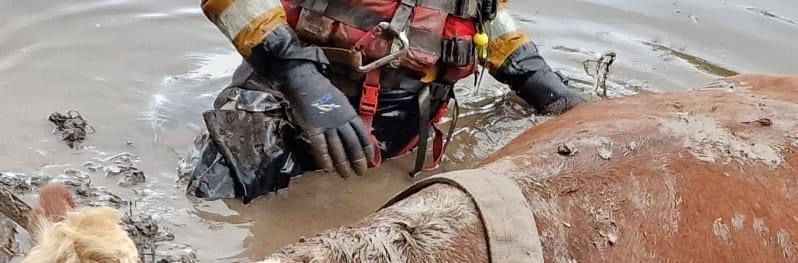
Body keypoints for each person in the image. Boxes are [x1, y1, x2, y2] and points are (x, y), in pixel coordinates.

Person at [187, 0, 586, 201]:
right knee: (220, 224)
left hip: (405, 137)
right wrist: (298, 74)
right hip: (283, 115)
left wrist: (537, 77)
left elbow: (481, 15)